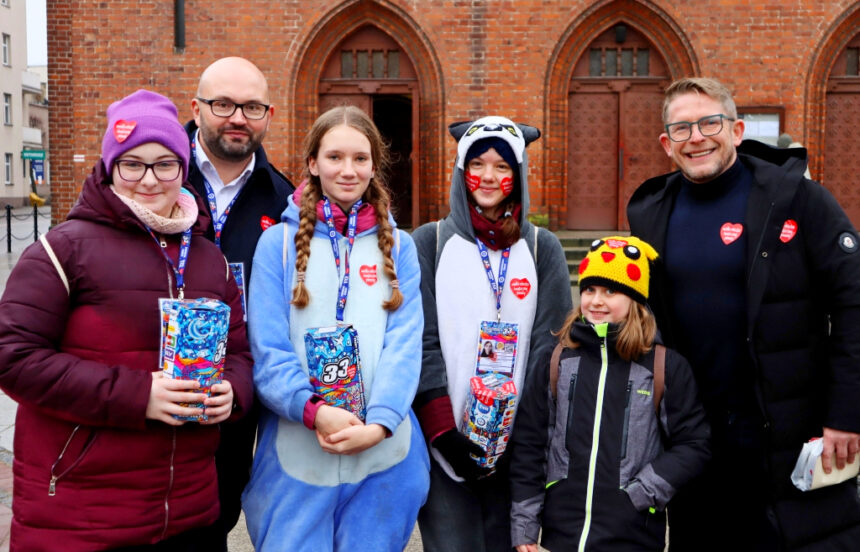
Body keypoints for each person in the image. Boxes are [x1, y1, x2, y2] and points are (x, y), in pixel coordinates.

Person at [0, 89, 254, 550]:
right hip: (83, 517)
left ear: (183, 168)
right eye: (132, 164)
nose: (149, 180)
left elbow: (240, 353)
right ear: (110, 167)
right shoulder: (62, 250)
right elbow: (13, 357)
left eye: (165, 164)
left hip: (190, 512)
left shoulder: (208, 258)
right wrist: (139, 395)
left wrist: (233, 392)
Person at [628, 77, 860, 549]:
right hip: (696, 437)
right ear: (666, 144)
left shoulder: (797, 200)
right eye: (681, 128)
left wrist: (847, 412)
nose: (696, 137)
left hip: (789, 431)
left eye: (709, 123)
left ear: (736, 130)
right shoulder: (650, 213)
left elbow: (853, 302)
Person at [242, 105, 429, 551]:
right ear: (312, 163)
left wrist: (380, 424)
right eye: (334, 157)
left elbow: (405, 345)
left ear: (374, 166)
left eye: (360, 158)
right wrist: (315, 412)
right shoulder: (277, 245)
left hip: (385, 451)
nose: (348, 170)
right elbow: (268, 349)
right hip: (298, 448)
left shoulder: (400, 247)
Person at [412, 115, 572, 551]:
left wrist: (520, 437)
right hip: (443, 442)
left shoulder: (541, 247)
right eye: (477, 164)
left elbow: (550, 347)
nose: (488, 176)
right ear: (461, 171)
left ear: (517, 175)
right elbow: (422, 341)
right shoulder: (430, 242)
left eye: (502, 166)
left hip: (516, 447)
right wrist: (443, 432)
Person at [509, 235, 710, 551]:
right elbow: (529, 445)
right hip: (563, 537)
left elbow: (694, 444)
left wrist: (641, 493)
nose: (596, 301)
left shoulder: (664, 367)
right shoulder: (556, 360)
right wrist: (524, 528)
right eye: (589, 289)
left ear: (635, 299)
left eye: (610, 291)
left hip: (632, 537)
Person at [187, 56, 294, 547]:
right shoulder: (159, 174)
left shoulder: (283, 200)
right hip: (154, 386)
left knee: (218, 512)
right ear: (197, 108)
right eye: (223, 104)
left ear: (268, 115)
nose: (237, 118)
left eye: (251, 107)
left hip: (235, 396)